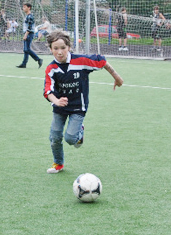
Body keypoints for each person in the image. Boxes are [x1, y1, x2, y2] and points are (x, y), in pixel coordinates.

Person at [43, 31, 124, 174]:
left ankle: (80, 131)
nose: (59, 52)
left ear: (69, 47)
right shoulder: (51, 69)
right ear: (50, 49)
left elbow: (102, 61)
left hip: (78, 107)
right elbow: (47, 90)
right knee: (55, 136)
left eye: (63, 48)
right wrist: (56, 101)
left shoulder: (80, 61)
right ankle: (58, 163)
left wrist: (116, 77)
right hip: (60, 108)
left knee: (70, 139)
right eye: (55, 48)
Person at [16, 3, 43, 68]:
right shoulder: (27, 16)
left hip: (29, 34)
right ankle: (24, 64)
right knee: (26, 49)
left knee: (27, 49)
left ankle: (38, 59)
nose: (23, 8)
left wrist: (26, 35)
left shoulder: (30, 16)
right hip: (28, 33)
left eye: (25, 7)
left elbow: (30, 27)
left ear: (29, 8)